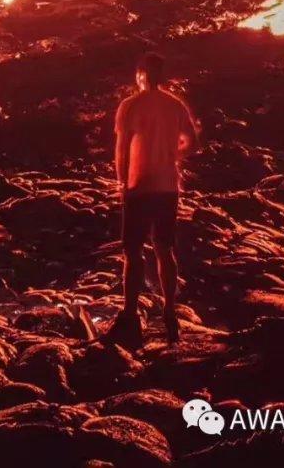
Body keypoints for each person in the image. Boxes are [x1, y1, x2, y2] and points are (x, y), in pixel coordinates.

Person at [107, 52, 197, 346]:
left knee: (133, 253)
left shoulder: (130, 106)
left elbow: (121, 150)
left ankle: (130, 314)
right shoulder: (175, 105)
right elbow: (192, 142)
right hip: (168, 187)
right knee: (164, 248)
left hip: (139, 186)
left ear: (141, 74)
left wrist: (122, 182)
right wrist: (174, 155)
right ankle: (169, 312)